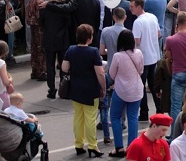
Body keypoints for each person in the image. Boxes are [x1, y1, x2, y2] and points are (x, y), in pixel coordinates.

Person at [62, 23, 106, 157]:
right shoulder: (93, 52)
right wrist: (103, 88)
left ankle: (79, 144)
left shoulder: (71, 49)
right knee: (90, 119)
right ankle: (92, 146)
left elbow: (64, 68)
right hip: (90, 89)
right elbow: (100, 73)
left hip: (75, 88)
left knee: (78, 117)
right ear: (89, 37)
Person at [108, 29, 145, 157]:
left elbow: (111, 74)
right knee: (133, 118)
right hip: (136, 90)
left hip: (120, 90)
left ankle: (119, 148)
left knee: (115, 117)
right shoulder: (139, 53)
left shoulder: (117, 56)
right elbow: (141, 70)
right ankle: (132, 148)